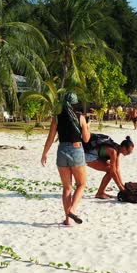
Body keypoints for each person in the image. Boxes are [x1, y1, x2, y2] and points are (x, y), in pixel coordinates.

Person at [41, 93, 91, 226]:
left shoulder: (57, 118)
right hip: (76, 150)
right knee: (81, 184)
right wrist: (87, 127)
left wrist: (44, 153)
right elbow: (86, 139)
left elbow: (50, 137)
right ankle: (72, 210)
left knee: (67, 188)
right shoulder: (80, 117)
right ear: (75, 104)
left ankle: (68, 220)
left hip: (62, 151)